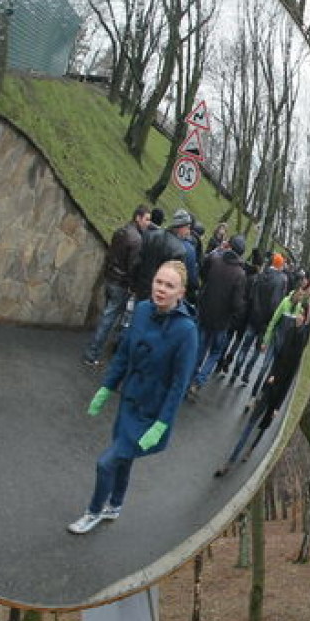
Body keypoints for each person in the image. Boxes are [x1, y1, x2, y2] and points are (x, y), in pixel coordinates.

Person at [69, 260, 198, 535]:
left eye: (169, 285)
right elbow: (124, 354)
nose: (161, 289)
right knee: (122, 459)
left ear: (181, 293)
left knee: (106, 463)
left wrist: (162, 423)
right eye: (158, 282)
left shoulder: (186, 331)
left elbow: (179, 384)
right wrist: (107, 388)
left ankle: (92, 512)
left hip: (150, 413)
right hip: (129, 400)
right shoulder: (141, 311)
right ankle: (115, 505)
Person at [214, 296, 310, 476]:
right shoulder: (291, 330)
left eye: (302, 314)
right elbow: (278, 359)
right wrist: (271, 375)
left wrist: (278, 406)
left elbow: (291, 375)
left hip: (279, 391)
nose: (298, 316)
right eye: (298, 312)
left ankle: (251, 448)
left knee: (264, 426)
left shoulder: (301, 339)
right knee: (252, 422)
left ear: (306, 317)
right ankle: (231, 460)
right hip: (270, 383)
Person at [83, 204, 151, 367]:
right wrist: (132, 285)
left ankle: (94, 351)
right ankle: (92, 354)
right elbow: (132, 267)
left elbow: (110, 255)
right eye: (147, 219)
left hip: (110, 278)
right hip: (121, 284)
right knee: (109, 319)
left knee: (107, 315)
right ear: (138, 218)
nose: (148, 223)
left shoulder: (121, 231)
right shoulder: (137, 240)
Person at [187, 234, 248, 399]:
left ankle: (190, 377)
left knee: (200, 346)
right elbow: (236, 303)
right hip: (222, 320)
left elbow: (203, 274)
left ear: (229, 246)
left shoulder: (215, 260)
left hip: (206, 311)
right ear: (241, 253)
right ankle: (198, 381)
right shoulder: (240, 274)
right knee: (215, 351)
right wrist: (241, 308)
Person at [231, 251, 287, 384]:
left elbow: (253, 294)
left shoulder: (262, 275)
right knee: (257, 349)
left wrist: (254, 310)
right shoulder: (279, 281)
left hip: (254, 316)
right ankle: (246, 374)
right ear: (280, 265)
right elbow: (275, 302)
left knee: (245, 345)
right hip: (265, 321)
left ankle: (236, 370)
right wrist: (270, 319)